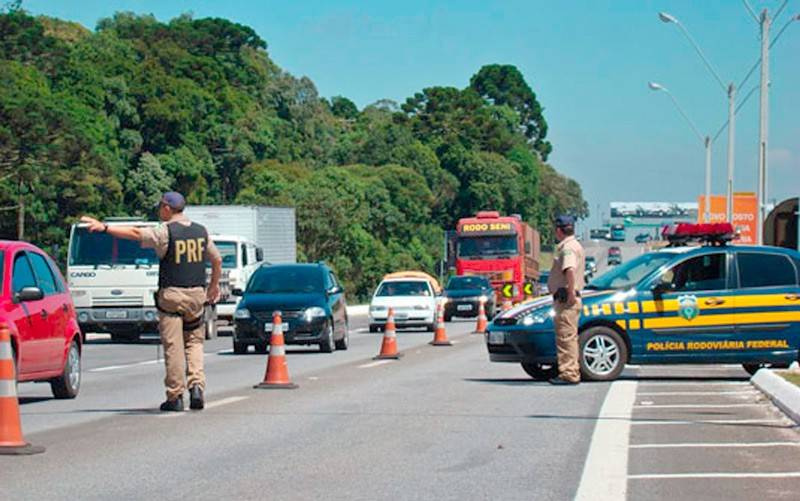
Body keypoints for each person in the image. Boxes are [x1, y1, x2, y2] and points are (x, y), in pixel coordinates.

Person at [80, 192, 222, 411]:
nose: (159, 210)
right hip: (196, 295)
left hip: (172, 297)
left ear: (167, 208)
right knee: (194, 342)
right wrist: (213, 286)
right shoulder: (200, 231)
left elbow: (136, 233)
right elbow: (216, 259)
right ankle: (197, 387)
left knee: (174, 346)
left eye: (160, 207)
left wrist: (105, 228)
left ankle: (175, 396)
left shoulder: (165, 231)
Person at [547, 215, 585, 385]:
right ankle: (570, 370)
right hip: (567, 298)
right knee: (568, 337)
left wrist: (570, 293)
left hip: (566, 300)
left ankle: (569, 373)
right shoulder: (573, 245)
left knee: (566, 338)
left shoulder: (567, 248)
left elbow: (569, 270)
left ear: (558, 230)